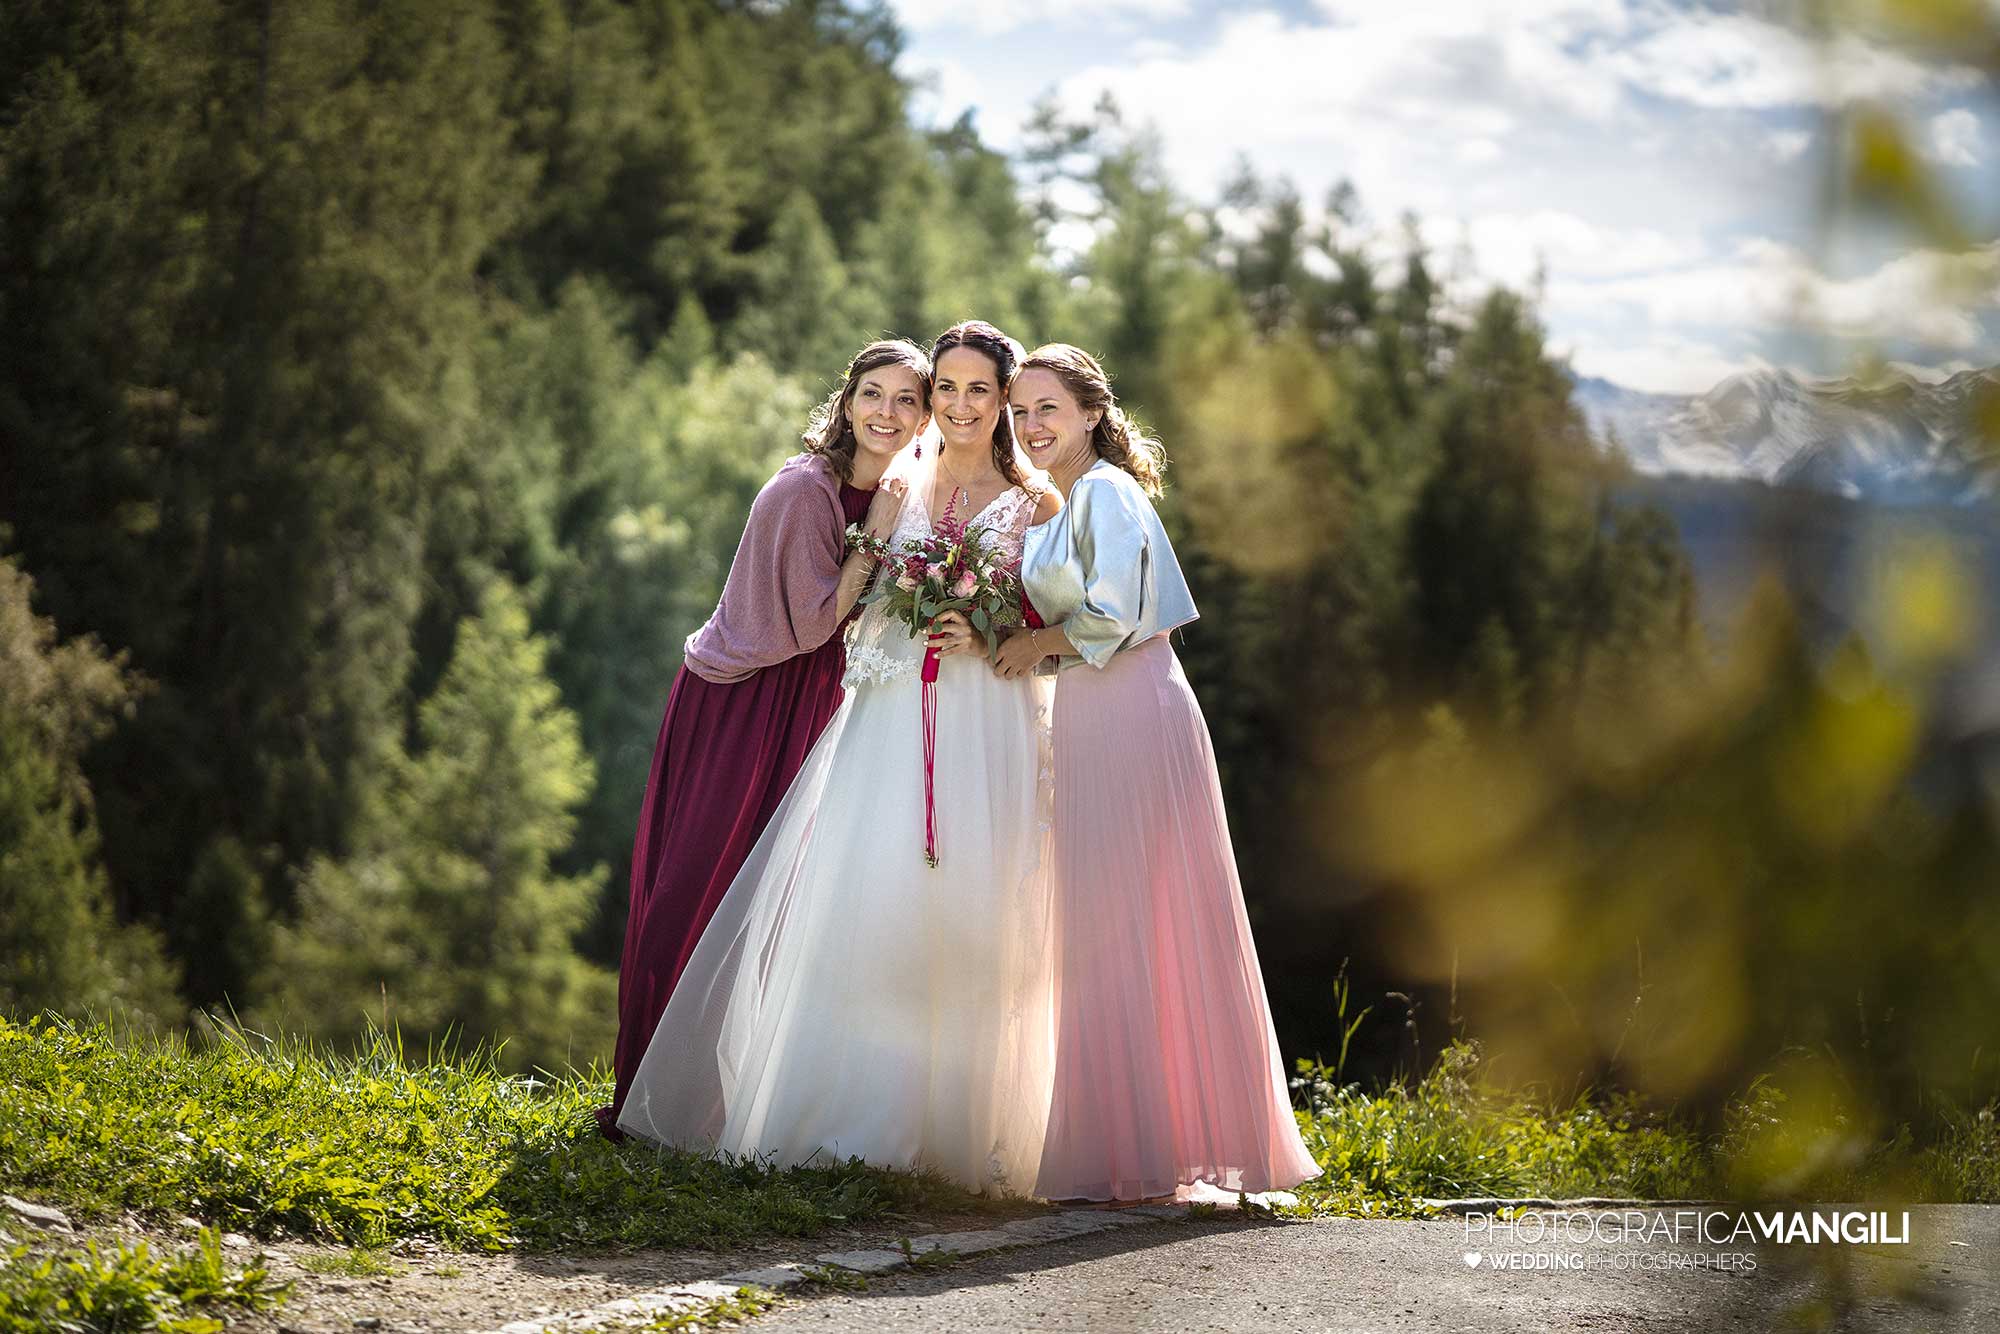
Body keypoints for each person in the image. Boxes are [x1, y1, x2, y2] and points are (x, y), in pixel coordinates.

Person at [617, 322, 1063, 1194]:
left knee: (974, 895)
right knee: (863, 890)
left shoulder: (1037, 499)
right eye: (944, 388)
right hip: (888, 708)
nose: (955, 406)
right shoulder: (901, 484)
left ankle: (961, 1121)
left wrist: (987, 629)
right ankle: (841, 1111)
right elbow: (849, 605)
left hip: (985, 712)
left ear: (1003, 402)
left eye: (977, 391)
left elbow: (1059, 619)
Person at [987, 342, 1321, 1203]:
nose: (1031, 425)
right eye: (1020, 412)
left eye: (1047, 407)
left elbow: (1117, 613)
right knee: (1113, 925)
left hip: (1134, 711)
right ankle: (1130, 1146)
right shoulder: (1067, 499)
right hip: (1099, 711)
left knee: (1134, 921)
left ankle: (1136, 1153)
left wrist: (1034, 645)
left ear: (1093, 413)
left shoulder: (1106, 489)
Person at [596, 340, 928, 1138]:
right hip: (740, 701)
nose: (887, 413)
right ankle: (647, 1095)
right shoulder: (804, 493)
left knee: (772, 901)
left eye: (907, 400)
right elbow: (813, 624)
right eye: (873, 395)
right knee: (700, 889)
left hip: (809, 701)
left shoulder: (892, 488)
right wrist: (877, 533)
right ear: (846, 402)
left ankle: (721, 1099)